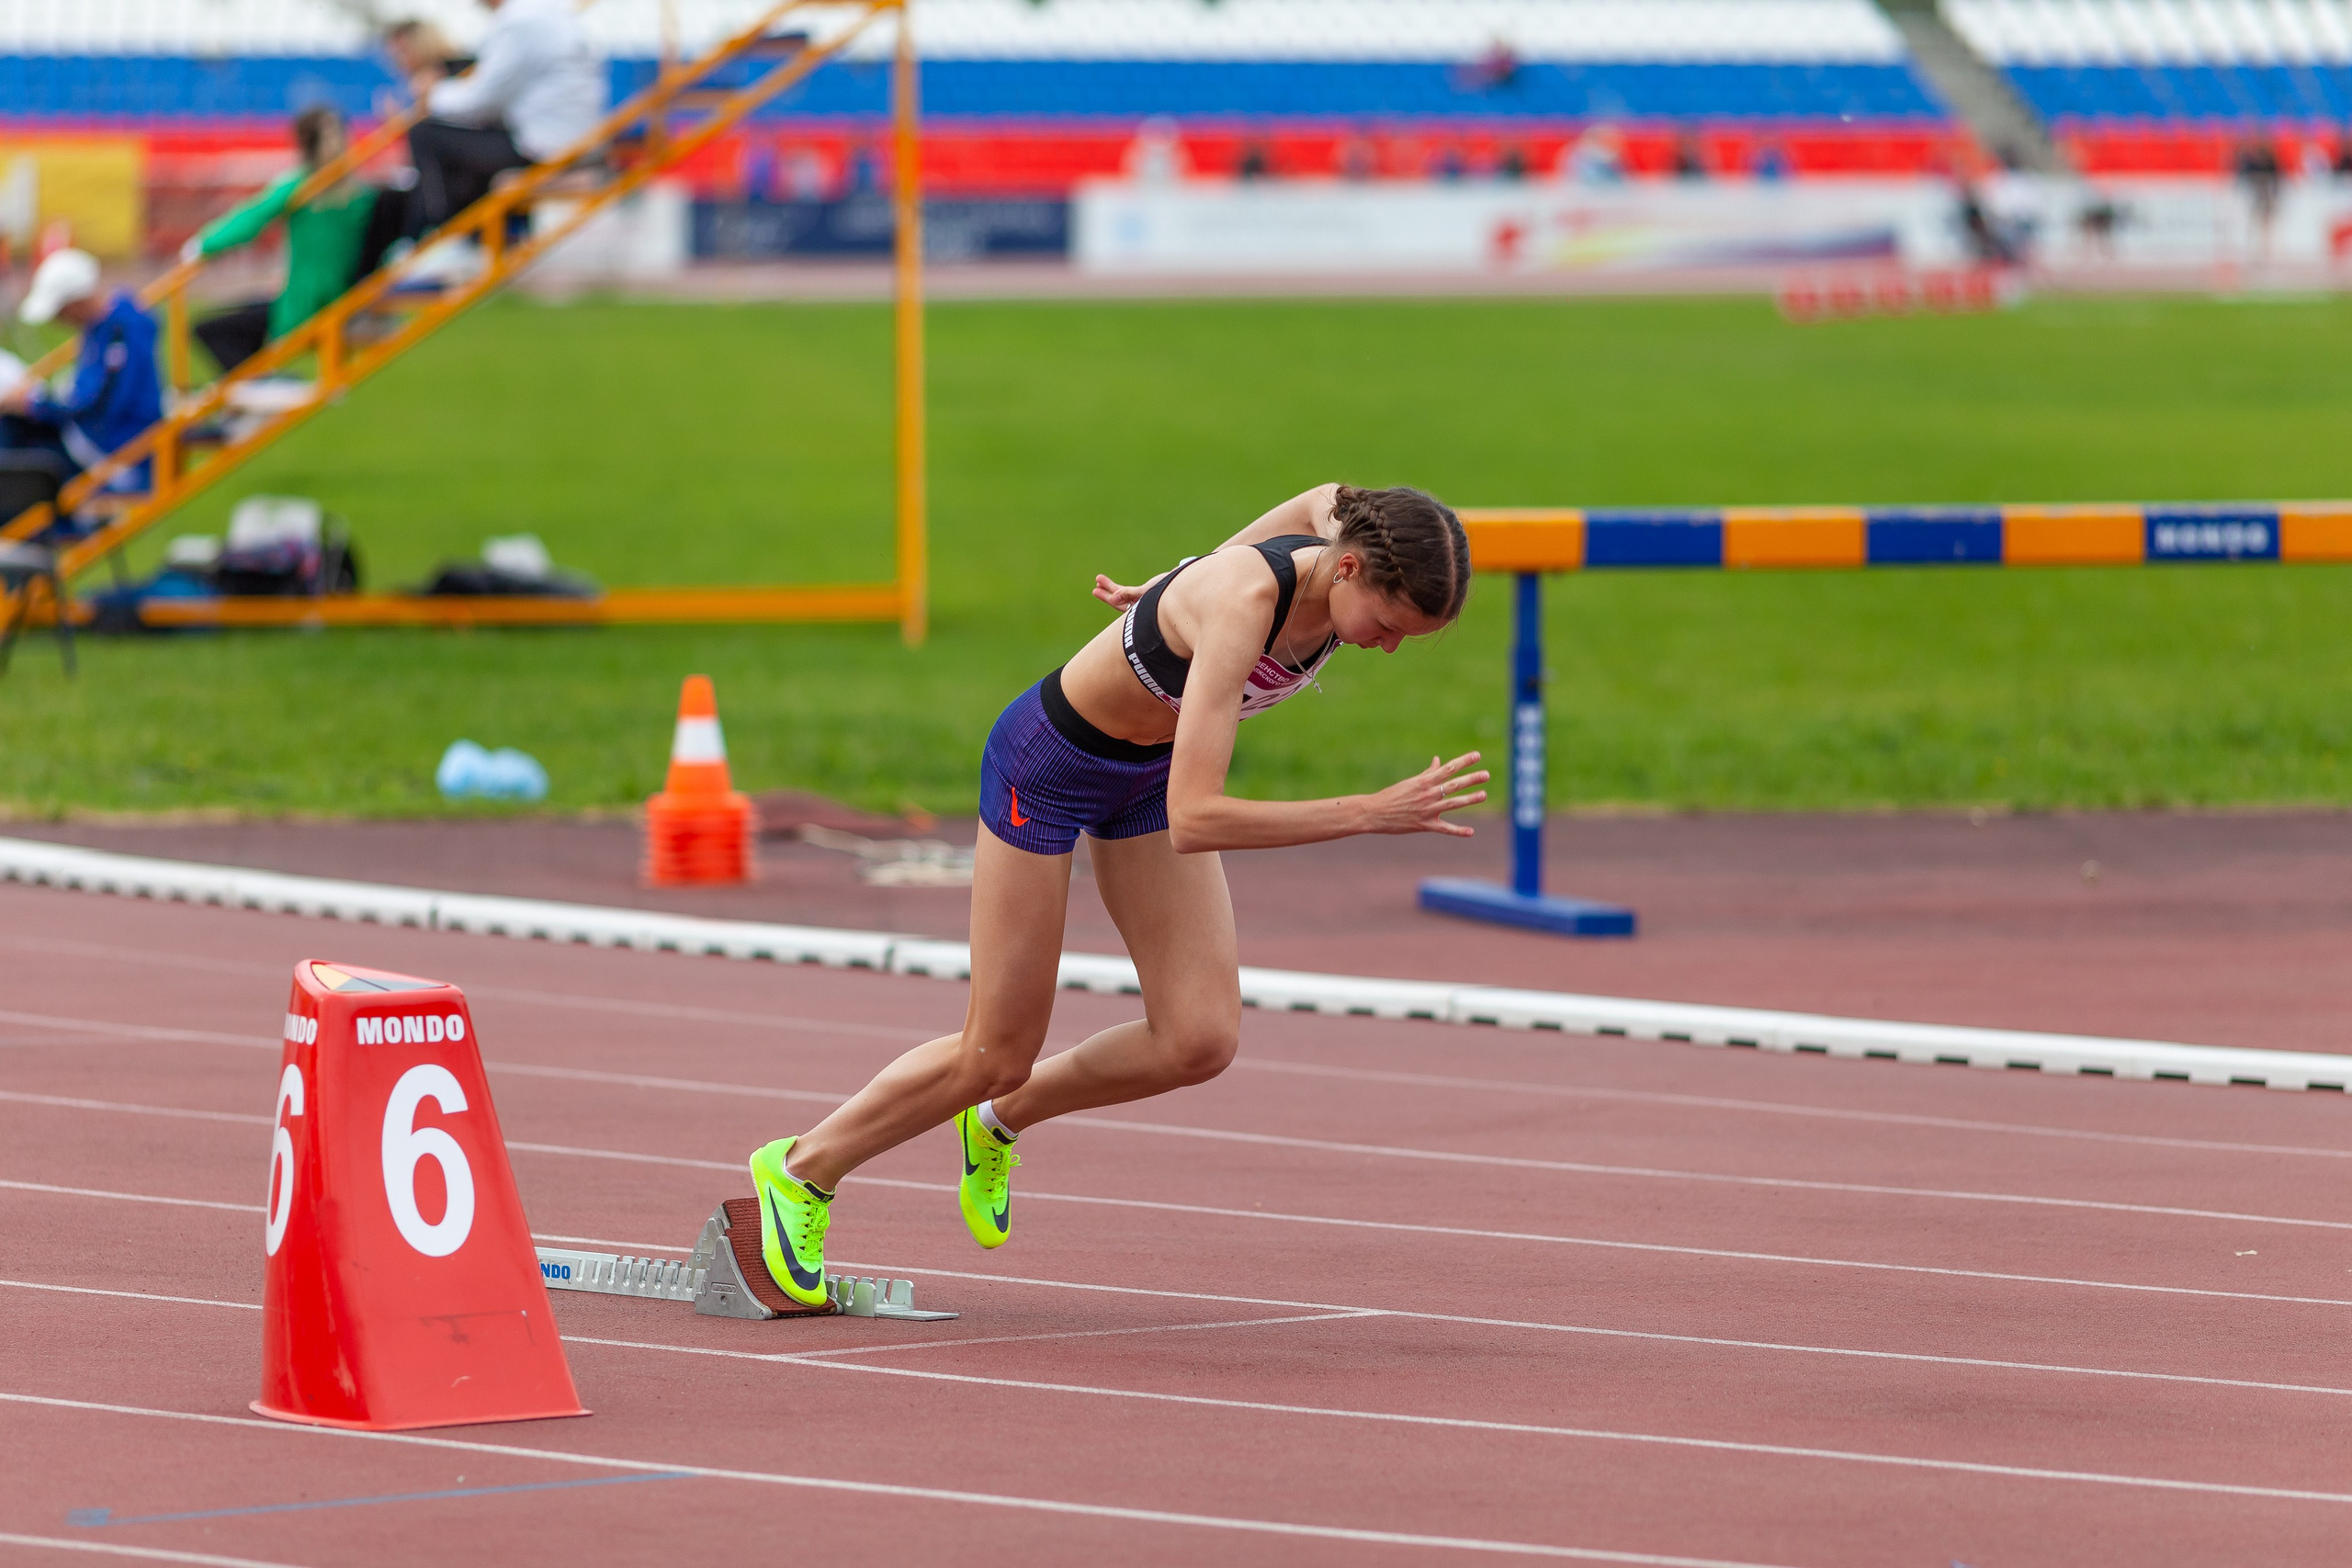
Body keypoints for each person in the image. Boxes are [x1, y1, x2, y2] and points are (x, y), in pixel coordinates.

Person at [736, 483, 1486, 1305]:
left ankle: (999, 1118)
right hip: (1049, 770)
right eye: (1387, 625)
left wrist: (1176, 584)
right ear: (1347, 569)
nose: (1387, 648)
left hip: (1145, 777)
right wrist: (1367, 812)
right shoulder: (1244, 607)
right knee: (995, 1049)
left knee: (1199, 1038)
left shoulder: (1347, 539)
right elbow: (1195, 819)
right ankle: (800, 1170)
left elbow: (1320, 496)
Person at [183, 106, 410, 375]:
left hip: (319, 304)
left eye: (340, 133)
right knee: (215, 328)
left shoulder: (359, 196)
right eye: (330, 136)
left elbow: (254, 216)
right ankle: (263, 380)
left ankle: (263, 380)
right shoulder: (304, 189)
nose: (339, 143)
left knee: (216, 330)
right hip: (302, 299)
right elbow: (253, 216)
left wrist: (204, 245)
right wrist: (205, 244)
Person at [401, 0, 605, 244]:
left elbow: (482, 100)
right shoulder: (545, 13)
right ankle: (477, 236)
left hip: (544, 145)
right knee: (467, 143)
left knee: (424, 134)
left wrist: (432, 96)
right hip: (568, 139)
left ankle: (441, 231)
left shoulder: (519, 22)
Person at [0, 248, 162, 498]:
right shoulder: (104, 327)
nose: (58, 321)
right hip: (99, 437)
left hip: (117, 447)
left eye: (59, 313)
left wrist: (32, 403)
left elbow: (96, 407)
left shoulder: (121, 332)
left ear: (75, 304)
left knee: (20, 450)